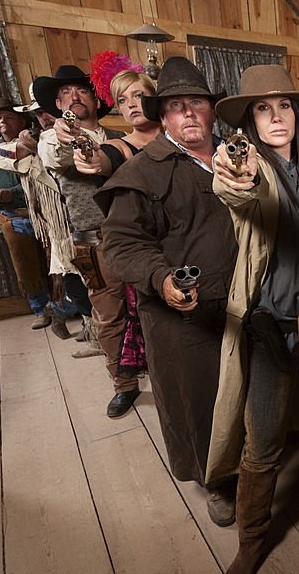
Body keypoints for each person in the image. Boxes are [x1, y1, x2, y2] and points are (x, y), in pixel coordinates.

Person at [208, 64, 299, 574]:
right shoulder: (252, 169)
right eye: (264, 108)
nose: (276, 116)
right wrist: (231, 172)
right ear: (250, 121)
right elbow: (236, 190)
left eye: (284, 106)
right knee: (260, 445)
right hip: (272, 330)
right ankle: (250, 542)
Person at [96, 57, 239, 526]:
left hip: (243, 301)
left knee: (246, 392)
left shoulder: (236, 156)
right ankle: (216, 480)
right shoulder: (146, 171)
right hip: (186, 310)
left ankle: (255, 462)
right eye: (177, 106)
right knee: (197, 399)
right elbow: (120, 243)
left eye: (197, 103)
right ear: (164, 116)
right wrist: (161, 279)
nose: (189, 114)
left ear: (211, 110)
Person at [75, 56, 161, 418]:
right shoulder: (116, 147)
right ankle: (124, 385)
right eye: (122, 100)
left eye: (138, 95)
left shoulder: (179, 139)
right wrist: (88, 156)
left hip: (168, 245)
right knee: (112, 316)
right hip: (119, 248)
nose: (131, 105)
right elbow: (99, 160)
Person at [34, 65, 125, 360]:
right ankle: (123, 382)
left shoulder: (121, 136)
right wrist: (68, 135)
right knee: (107, 315)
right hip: (92, 240)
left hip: (130, 235)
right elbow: (57, 156)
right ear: (58, 105)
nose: (75, 96)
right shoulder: (50, 140)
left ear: (96, 100)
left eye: (82, 91)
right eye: (66, 93)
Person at [0, 87, 92, 336]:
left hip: (84, 218)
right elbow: (1, 157)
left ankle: (75, 319)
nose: (44, 117)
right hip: (57, 225)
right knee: (71, 276)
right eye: (38, 113)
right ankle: (81, 322)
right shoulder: (29, 141)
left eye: (47, 110)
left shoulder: (77, 136)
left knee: (91, 280)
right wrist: (29, 144)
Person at [0, 96, 52, 329]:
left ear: (21, 121)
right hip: (12, 217)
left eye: (8, 117)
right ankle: (40, 309)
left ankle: (65, 305)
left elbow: (43, 179)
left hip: (43, 212)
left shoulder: (34, 146)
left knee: (55, 261)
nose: (2, 122)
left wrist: (13, 193)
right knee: (25, 265)